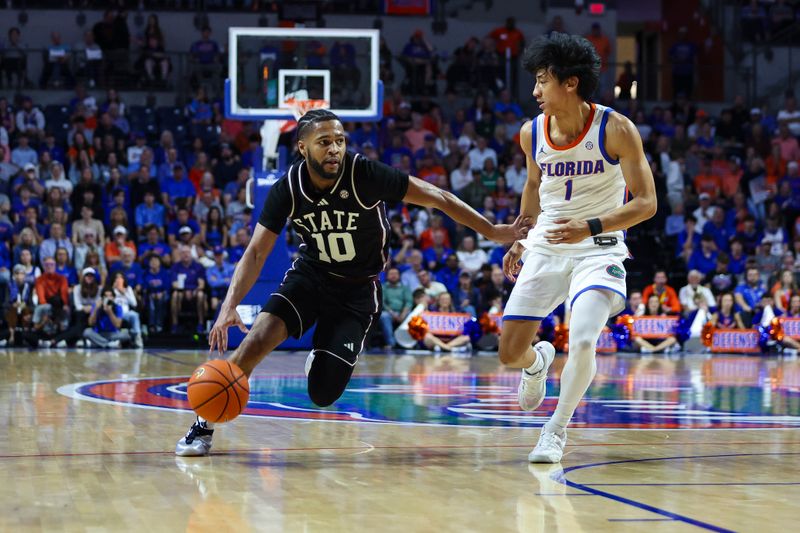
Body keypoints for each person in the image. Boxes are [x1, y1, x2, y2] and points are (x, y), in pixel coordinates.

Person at [175, 109, 530, 456]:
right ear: (302, 148)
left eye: (340, 141)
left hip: (358, 290)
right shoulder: (289, 188)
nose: (335, 149)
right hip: (311, 277)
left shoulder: (365, 174)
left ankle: (322, 358)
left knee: (323, 394)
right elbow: (255, 253)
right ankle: (203, 424)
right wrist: (228, 306)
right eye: (324, 142)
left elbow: (438, 197)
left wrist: (492, 230)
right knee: (255, 343)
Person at [498, 34, 656, 464]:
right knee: (509, 352)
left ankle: (555, 430)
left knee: (583, 338)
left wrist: (590, 226)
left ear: (570, 83)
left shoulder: (616, 128)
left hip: (598, 248)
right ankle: (537, 362)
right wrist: (520, 237)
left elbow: (646, 203)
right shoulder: (532, 133)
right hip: (548, 244)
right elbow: (534, 186)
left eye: (542, 80)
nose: (534, 91)